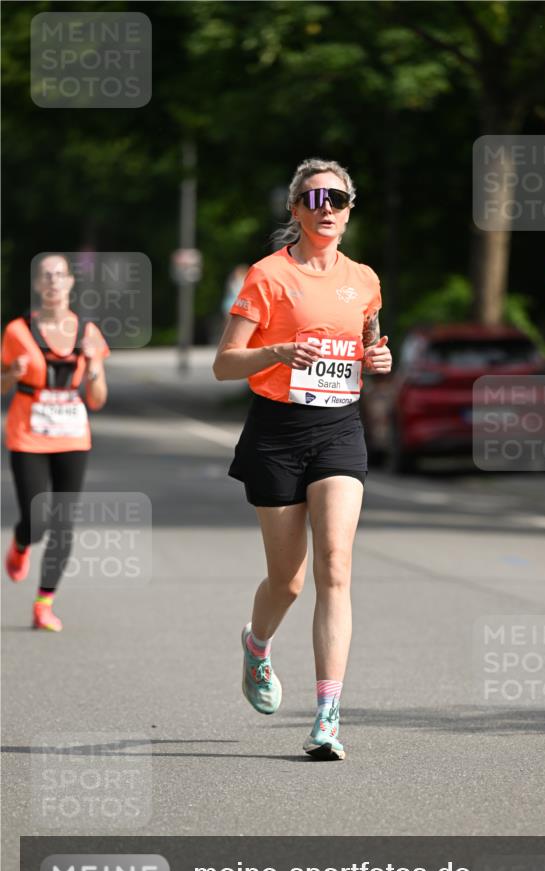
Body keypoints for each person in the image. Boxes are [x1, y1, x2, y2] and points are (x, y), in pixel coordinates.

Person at [213, 158, 391, 760]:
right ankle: (257, 645)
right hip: (277, 433)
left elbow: (370, 344)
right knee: (287, 581)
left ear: (348, 209)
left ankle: (327, 716)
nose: (325, 207)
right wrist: (280, 350)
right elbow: (225, 363)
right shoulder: (267, 276)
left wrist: (378, 361)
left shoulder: (364, 279)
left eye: (336, 198)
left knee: (335, 569)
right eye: (313, 198)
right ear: (294, 209)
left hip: (340, 429)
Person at [1, 253, 110, 631]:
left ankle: (43, 603)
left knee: (62, 523)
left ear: (69, 283)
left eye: (59, 275)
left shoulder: (89, 334)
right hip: (28, 436)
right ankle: (19, 544)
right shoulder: (17, 331)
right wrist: (11, 375)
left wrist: (95, 370)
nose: (52, 282)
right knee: (37, 520)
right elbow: (1, 384)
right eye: (45, 276)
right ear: (36, 285)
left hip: (72, 436)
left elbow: (97, 399)